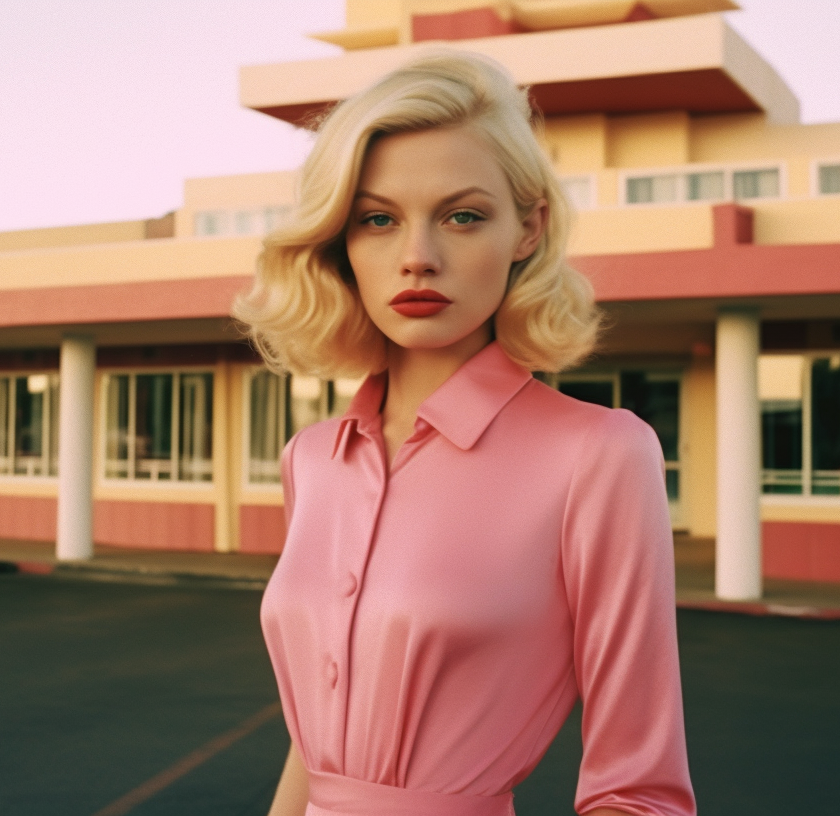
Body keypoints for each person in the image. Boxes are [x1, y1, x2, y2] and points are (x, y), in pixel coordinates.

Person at [233, 51, 695, 816]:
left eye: (463, 215)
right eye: (378, 219)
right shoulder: (312, 458)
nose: (417, 257)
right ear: (339, 242)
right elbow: (315, 747)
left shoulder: (598, 455)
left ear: (527, 229)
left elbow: (639, 791)